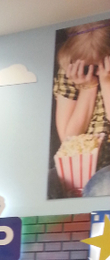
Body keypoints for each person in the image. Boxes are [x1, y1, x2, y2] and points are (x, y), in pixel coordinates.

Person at [53, 20, 110, 171]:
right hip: (83, 159)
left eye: (99, 65)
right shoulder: (70, 70)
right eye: (87, 67)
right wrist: (88, 88)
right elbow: (68, 140)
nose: (93, 72)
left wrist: (106, 83)